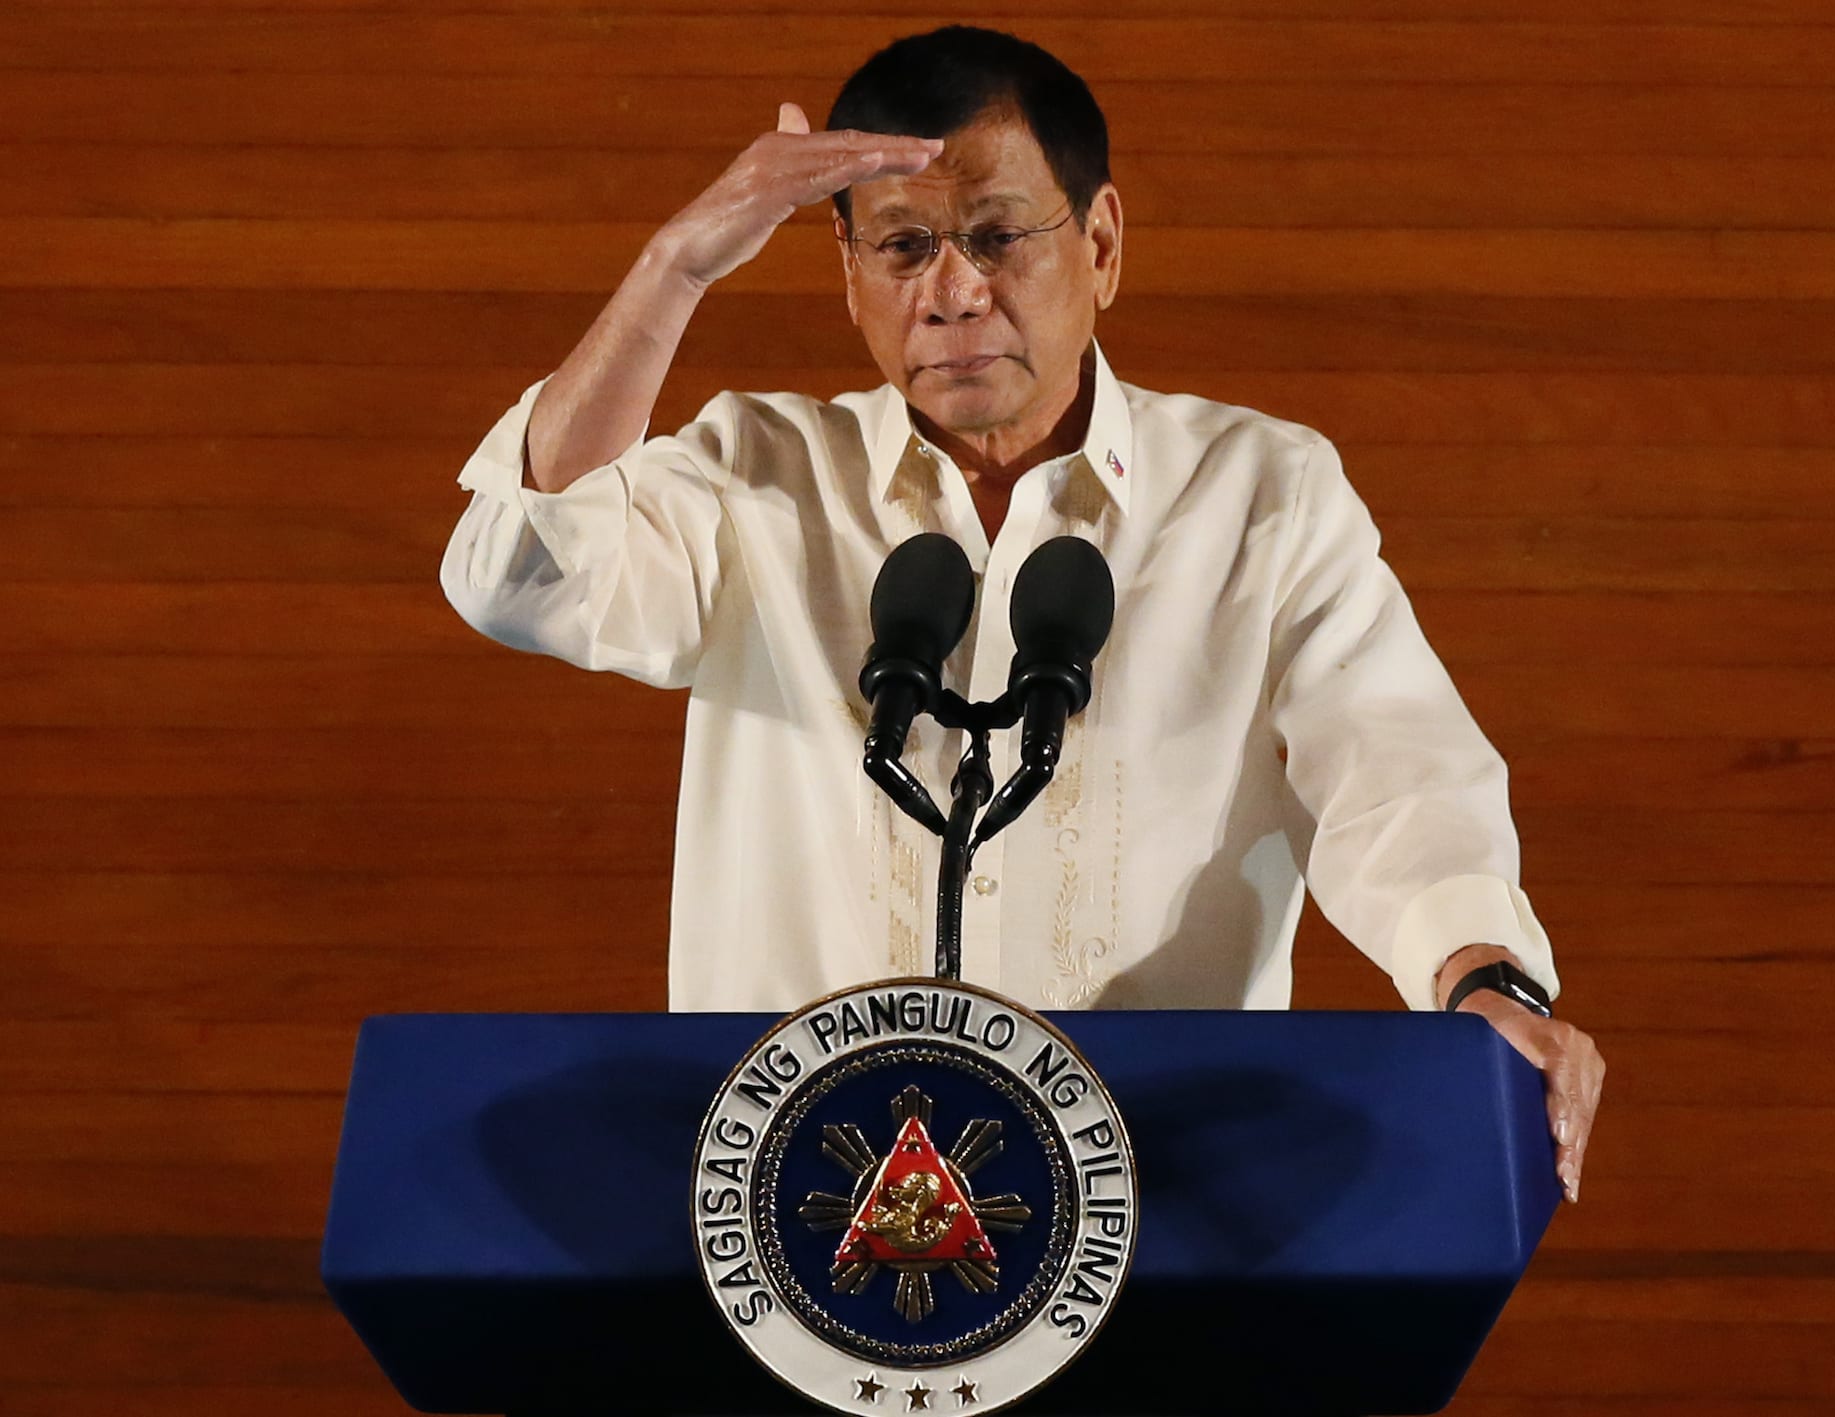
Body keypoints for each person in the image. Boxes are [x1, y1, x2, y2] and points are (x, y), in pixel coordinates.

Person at [440, 26, 1603, 1200]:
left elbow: (1396, 773)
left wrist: (1481, 979)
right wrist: (675, 267)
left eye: (996, 237)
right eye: (902, 246)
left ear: (1099, 245)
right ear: (847, 277)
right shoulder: (756, 475)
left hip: (1152, 1201)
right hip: (804, 1213)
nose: (952, 292)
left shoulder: (1259, 493)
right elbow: (518, 570)